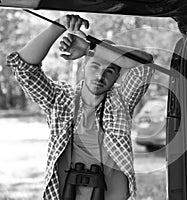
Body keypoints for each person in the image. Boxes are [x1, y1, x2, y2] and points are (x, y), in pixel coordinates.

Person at [6, 14, 154, 200]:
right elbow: (23, 67)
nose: (100, 76)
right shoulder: (61, 99)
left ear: (117, 76)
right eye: (95, 66)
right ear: (84, 65)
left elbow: (145, 64)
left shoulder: (121, 100)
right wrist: (58, 25)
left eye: (109, 70)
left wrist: (89, 48)